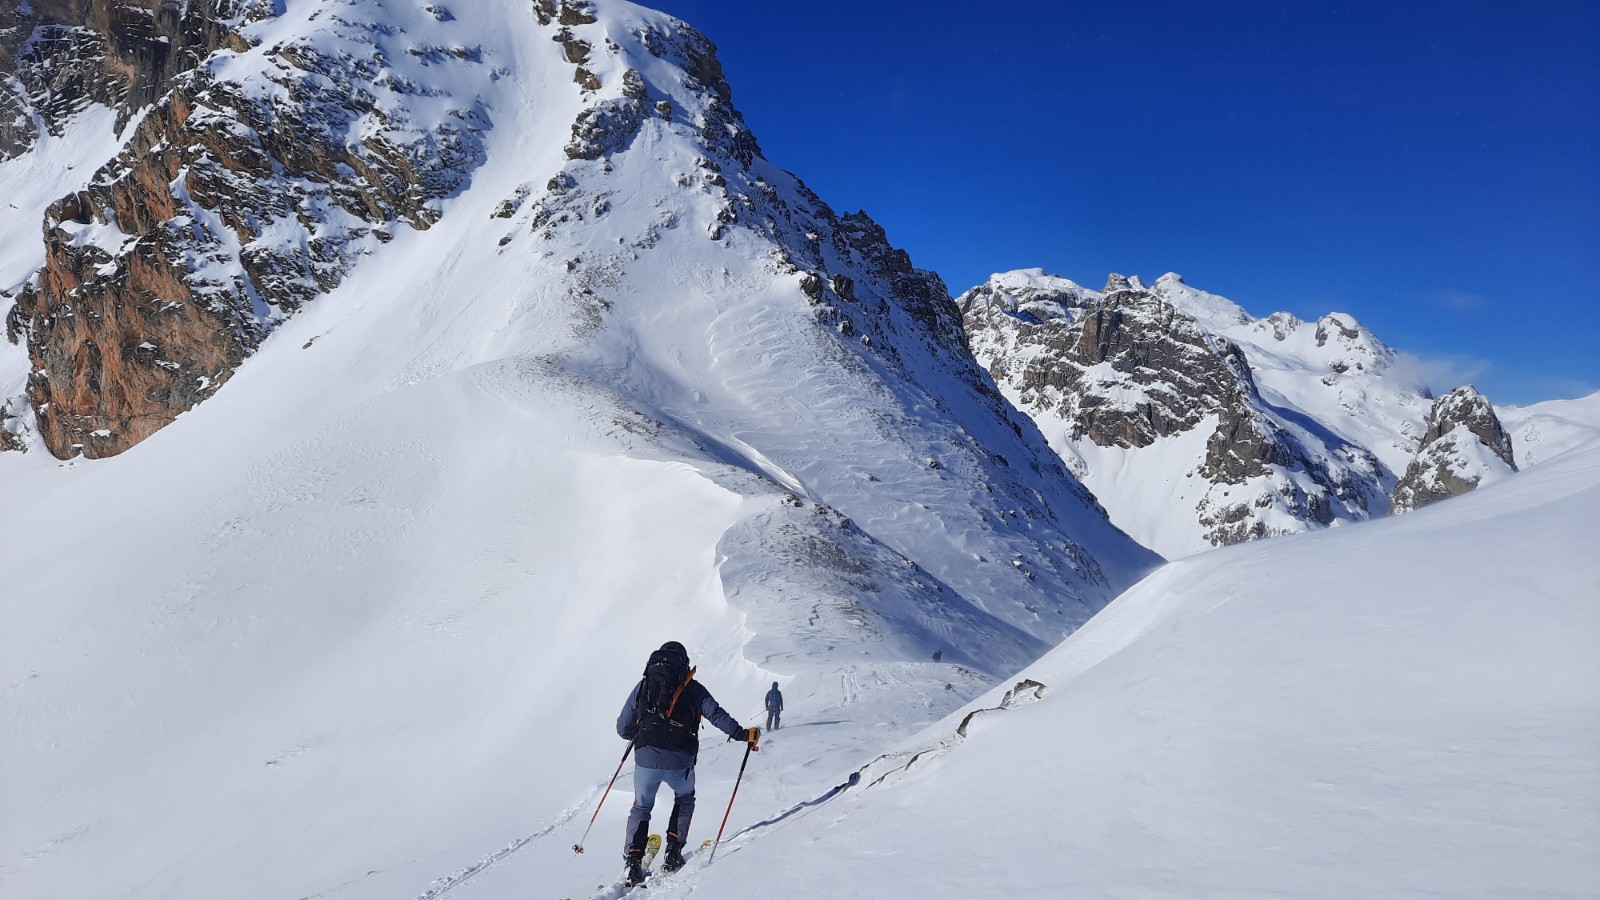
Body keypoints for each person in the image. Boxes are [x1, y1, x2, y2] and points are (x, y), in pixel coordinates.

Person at [617, 641, 757, 886]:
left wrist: (641, 735)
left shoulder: (644, 685)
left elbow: (623, 727)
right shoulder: (691, 687)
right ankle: (673, 851)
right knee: (684, 799)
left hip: (646, 757)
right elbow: (715, 713)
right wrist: (740, 734)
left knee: (641, 808)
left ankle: (633, 861)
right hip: (680, 759)